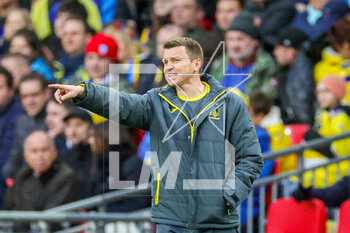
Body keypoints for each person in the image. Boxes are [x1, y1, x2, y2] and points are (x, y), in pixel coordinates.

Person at [50, 37, 263, 232]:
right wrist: (86, 93)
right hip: (171, 221)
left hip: (218, 222)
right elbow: (123, 104)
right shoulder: (156, 101)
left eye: (175, 60)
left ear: (196, 64)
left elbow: (251, 157)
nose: (168, 67)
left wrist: (228, 197)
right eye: (165, 61)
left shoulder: (230, 103)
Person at [3, 130, 79, 232]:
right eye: (34, 151)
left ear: (54, 153)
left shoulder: (65, 176)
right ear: (26, 156)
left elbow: (51, 216)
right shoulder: (23, 174)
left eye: (44, 150)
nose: (40, 156)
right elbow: (9, 206)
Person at [211, 11, 278, 99]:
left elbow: (266, 99)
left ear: (255, 42)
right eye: (230, 39)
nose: (235, 45)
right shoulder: (219, 64)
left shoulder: (266, 66)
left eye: (240, 39)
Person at [88, 121, 151, 212]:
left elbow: (138, 202)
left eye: (93, 136)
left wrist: (103, 213)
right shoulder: (101, 164)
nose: (90, 141)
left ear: (106, 137)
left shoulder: (133, 165)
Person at [302, 75, 350, 187]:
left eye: (327, 92)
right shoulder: (322, 114)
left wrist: (314, 140)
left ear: (338, 95)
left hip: (331, 175)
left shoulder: (341, 117)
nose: (322, 97)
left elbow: (338, 151)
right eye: (320, 92)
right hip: (316, 170)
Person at [3, 72, 51, 179]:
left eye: (35, 95)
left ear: (47, 93)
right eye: (24, 96)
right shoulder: (21, 122)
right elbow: (12, 162)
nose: (30, 101)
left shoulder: (57, 119)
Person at [273, 27, 315, 125]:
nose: (275, 53)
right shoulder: (286, 70)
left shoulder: (301, 71)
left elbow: (302, 110)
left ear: (291, 51)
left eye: (279, 48)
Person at [61, 107, 94, 198]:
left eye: (78, 125)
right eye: (68, 125)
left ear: (90, 128)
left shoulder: (99, 155)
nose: (73, 131)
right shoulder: (63, 158)